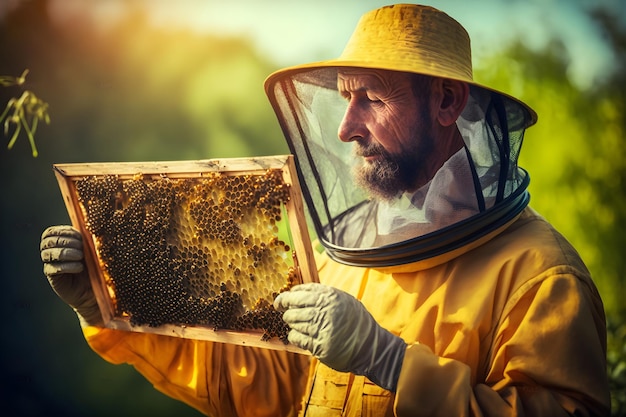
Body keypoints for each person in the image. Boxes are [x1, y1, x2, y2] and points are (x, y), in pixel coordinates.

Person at [40, 4, 611, 416]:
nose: (345, 127)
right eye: (345, 98)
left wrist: (388, 361)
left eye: (373, 99)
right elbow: (269, 388)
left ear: (445, 100)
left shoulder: (538, 274)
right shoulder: (352, 252)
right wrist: (106, 305)